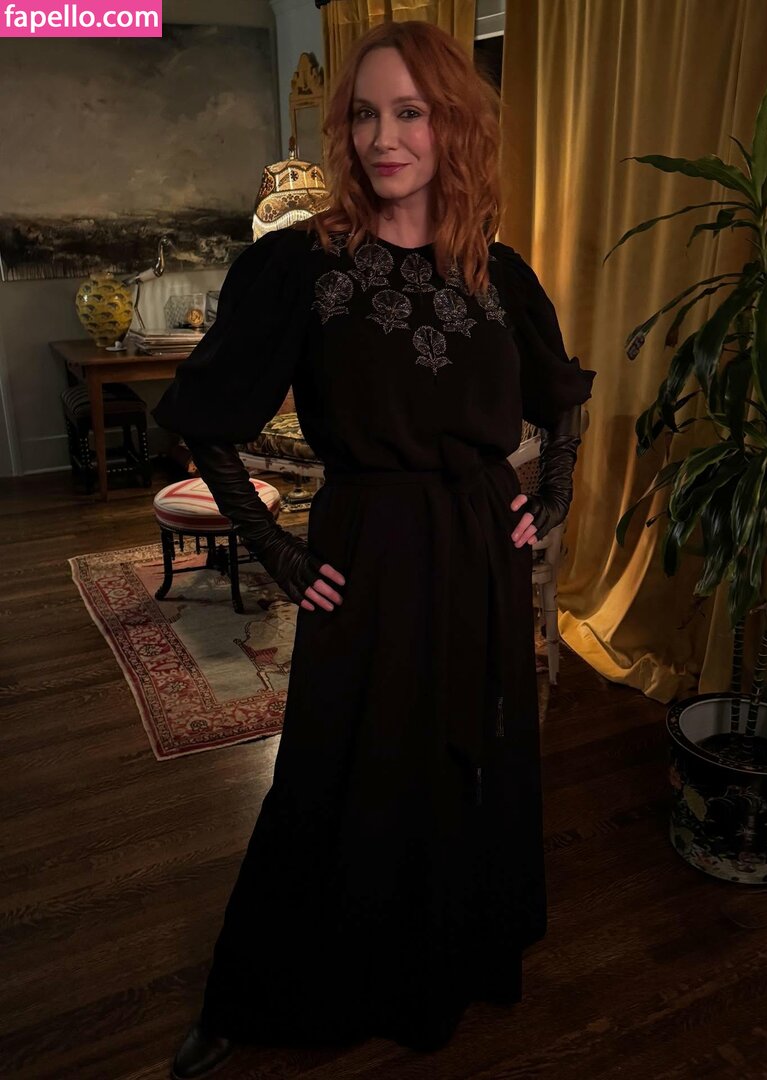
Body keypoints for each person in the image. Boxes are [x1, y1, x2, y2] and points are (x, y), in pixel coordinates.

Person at [153, 19, 595, 1080]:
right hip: (370, 548)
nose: (384, 138)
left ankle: (444, 960)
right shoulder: (300, 267)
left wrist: (549, 499)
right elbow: (205, 418)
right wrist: (276, 550)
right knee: (331, 768)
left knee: (465, 759)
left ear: (454, 127)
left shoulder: (499, 275)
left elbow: (562, 397)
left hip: (480, 551)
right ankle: (257, 989)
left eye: (411, 112)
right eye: (364, 114)